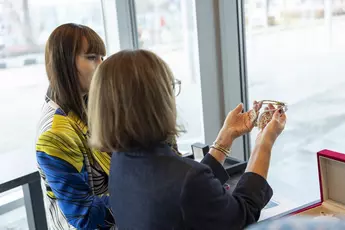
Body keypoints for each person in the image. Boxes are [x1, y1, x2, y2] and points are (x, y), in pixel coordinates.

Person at [88, 49, 287, 230]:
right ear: (158, 101)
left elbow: (187, 195)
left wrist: (226, 136)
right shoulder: (187, 180)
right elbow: (242, 215)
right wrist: (264, 141)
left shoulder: (121, 160)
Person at [36, 23, 115, 229]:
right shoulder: (55, 135)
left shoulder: (87, 103)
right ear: (64, 64)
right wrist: (147, 193)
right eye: (91, 58)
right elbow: (84, 215)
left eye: (101, 58)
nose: (101, 65)